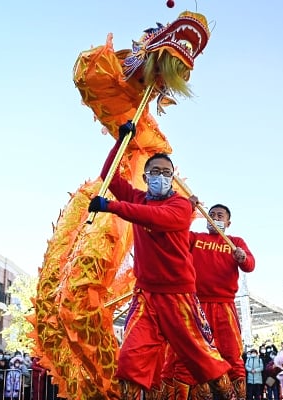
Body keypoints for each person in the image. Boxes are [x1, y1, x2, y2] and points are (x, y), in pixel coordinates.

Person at [88, 122, 234, 399]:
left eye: (166, 173)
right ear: (145, 175)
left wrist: (112, 206)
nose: (161, 176)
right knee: (130, 361)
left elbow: (159, 219)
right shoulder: (137, 197)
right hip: (146, 296)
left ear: (173, 177)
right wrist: (121, 141)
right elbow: (107, 175)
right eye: (155, 171)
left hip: (179, 296)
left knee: (206, 362)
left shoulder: (180, 205)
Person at [162, 202, 255, 399]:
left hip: (224, 306)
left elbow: (250, 265)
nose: (215, 218)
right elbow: (174, 236)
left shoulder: (235, 241)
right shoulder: (196, 238)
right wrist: (188, 210)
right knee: (186, 355)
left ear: (228, 222)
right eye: (211, 214)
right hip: (195, 306)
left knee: (231, 354)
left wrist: (242, 257)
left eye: (220, 215)